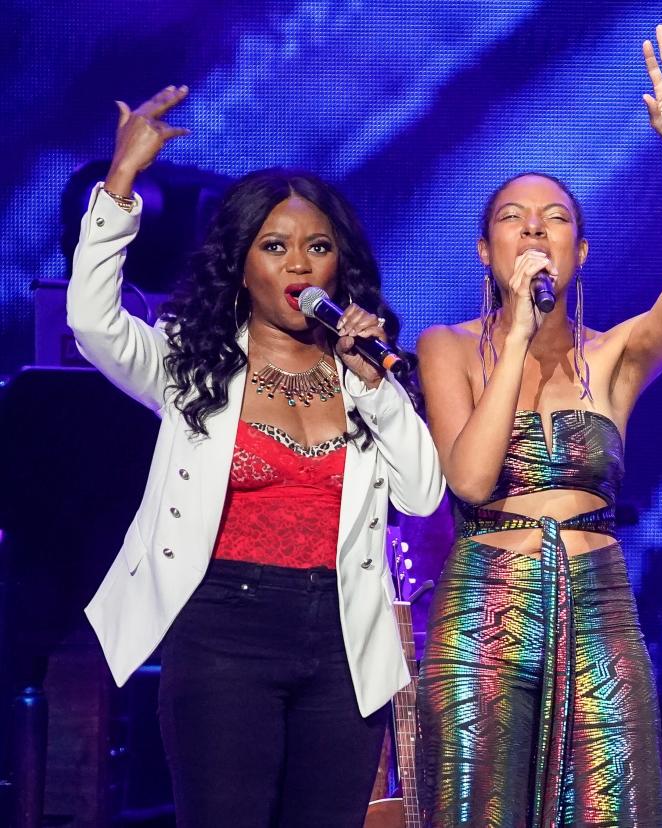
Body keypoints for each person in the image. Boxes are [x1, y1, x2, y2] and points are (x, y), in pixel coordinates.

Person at [68, 85, 445, 826]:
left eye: (317, 247)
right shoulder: (189, 363)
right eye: (274, 247)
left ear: (341, 266)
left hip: (341, 640)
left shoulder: (362, 369)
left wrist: (374, 388)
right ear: (241, 265)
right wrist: (120, 187)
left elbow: (425, 495)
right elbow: (92, 322)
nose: (298, 264)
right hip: (221, 631)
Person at [414, 25, 662, 826]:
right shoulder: (445, 347)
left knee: (614, 807)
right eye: (514, 219)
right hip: (485, 610)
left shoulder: (615, 355)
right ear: (486, 251)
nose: (535, 230)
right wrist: (515, 333)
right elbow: (473, 480)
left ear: (579, 250)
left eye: (553, 219)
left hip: (598, 604)